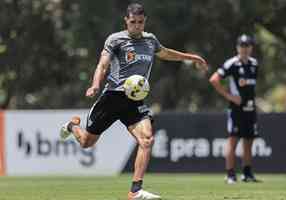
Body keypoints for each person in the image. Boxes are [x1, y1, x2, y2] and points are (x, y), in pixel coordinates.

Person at [61, 3, 208, 200]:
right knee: (87, 142)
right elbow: (102, 65)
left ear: (144, 21)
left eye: (140, 22)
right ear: (126, 21)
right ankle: (71, 126)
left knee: (147, 139)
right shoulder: (115, 40)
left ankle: (135, 191)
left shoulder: (150, 40)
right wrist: (95, 85)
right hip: (112, 98)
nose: (137, 26)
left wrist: (192, 58)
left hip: (134, 100)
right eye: (133, 22)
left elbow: (165, 53)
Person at [209, 34, 259, 184]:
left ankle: (247, 173)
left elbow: (251, 86)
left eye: (247, 46)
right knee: (233, 140)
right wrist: (230, 96)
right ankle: (230, 174)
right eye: (242, 46)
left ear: (251, 48)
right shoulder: (232, 64)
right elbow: (214, 79)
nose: (244, 49)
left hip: (251, 107)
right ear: (237, 47)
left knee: (249, 140)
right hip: (236, 109)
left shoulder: (254, 64)